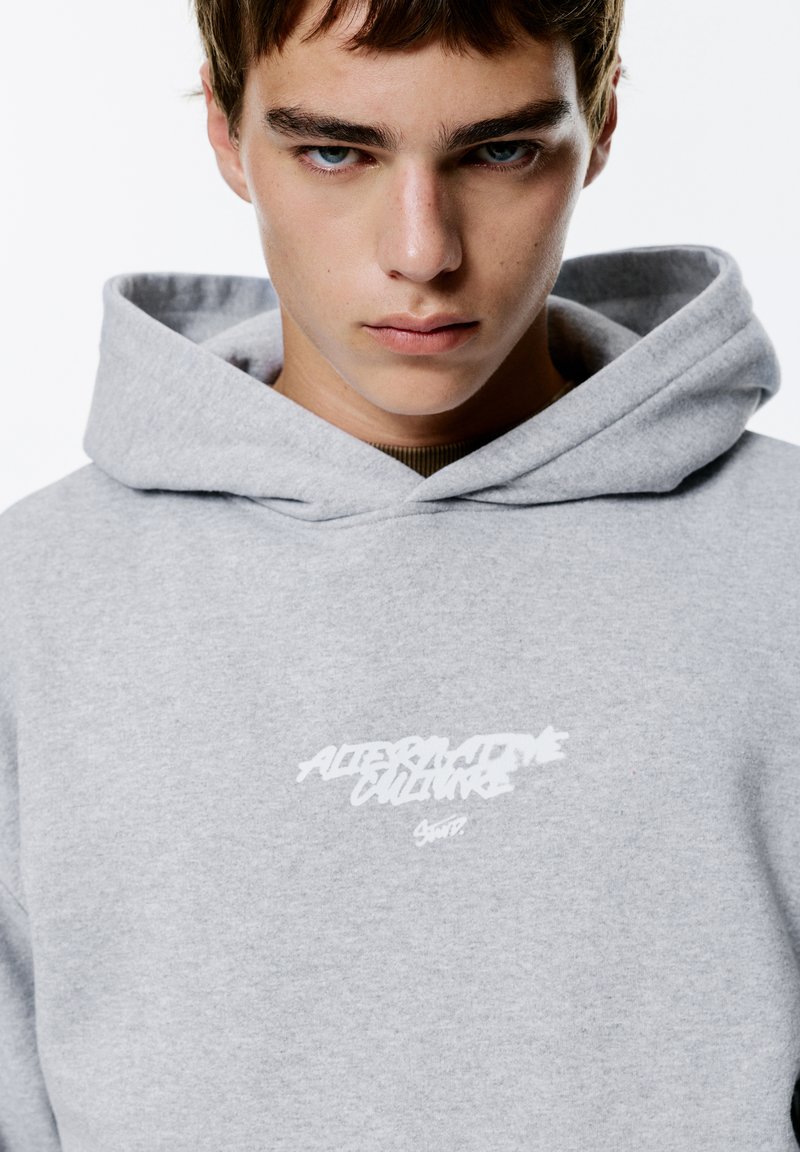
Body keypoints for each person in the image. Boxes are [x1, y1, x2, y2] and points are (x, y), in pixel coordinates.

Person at [1, 0, 798, 1148]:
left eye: (499, 152)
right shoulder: (32, 601)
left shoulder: (781, 558)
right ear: (225, 131)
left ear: (601, 126)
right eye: (335, 152)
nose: (421, 252)